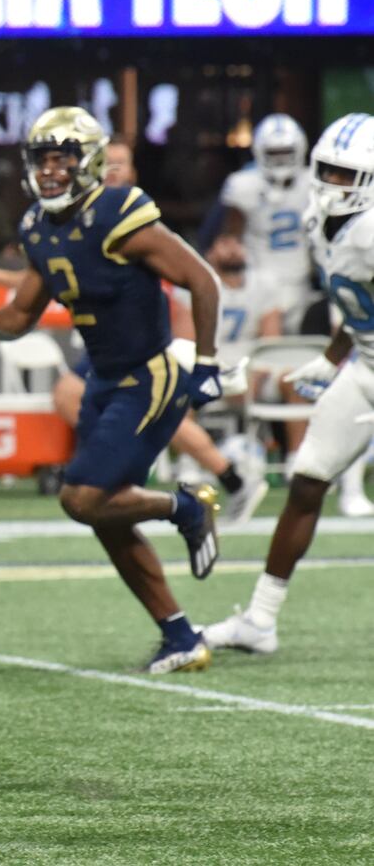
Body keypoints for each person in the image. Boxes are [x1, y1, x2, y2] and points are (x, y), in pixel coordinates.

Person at [0, 106, 225, 674]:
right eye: (41, 160)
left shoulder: (119, 213)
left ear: (90, 162)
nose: (50, 170)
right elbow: (22, 313)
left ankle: (184, 505)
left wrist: (207, 362)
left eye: (62, 159)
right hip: (102, 379)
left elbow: (202, 278)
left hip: (148, 375)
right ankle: (180, 635)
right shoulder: (38, 225)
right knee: (102, 513)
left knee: (81, 498)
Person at [202, 114, 374, 656]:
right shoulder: (316, 221)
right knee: (305, 482)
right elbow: (355, 304)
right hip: (365, 371)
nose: (332, 184)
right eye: (327, 170)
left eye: (346, 175)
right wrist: (331, 359)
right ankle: (260, 620)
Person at [217, 115, 315, 332]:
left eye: (285, 152)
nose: (280, 160)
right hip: (258, 280)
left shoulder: (312, 183)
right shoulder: (243, 185)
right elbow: (231, 238)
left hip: (301, 280)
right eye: (274, 153)